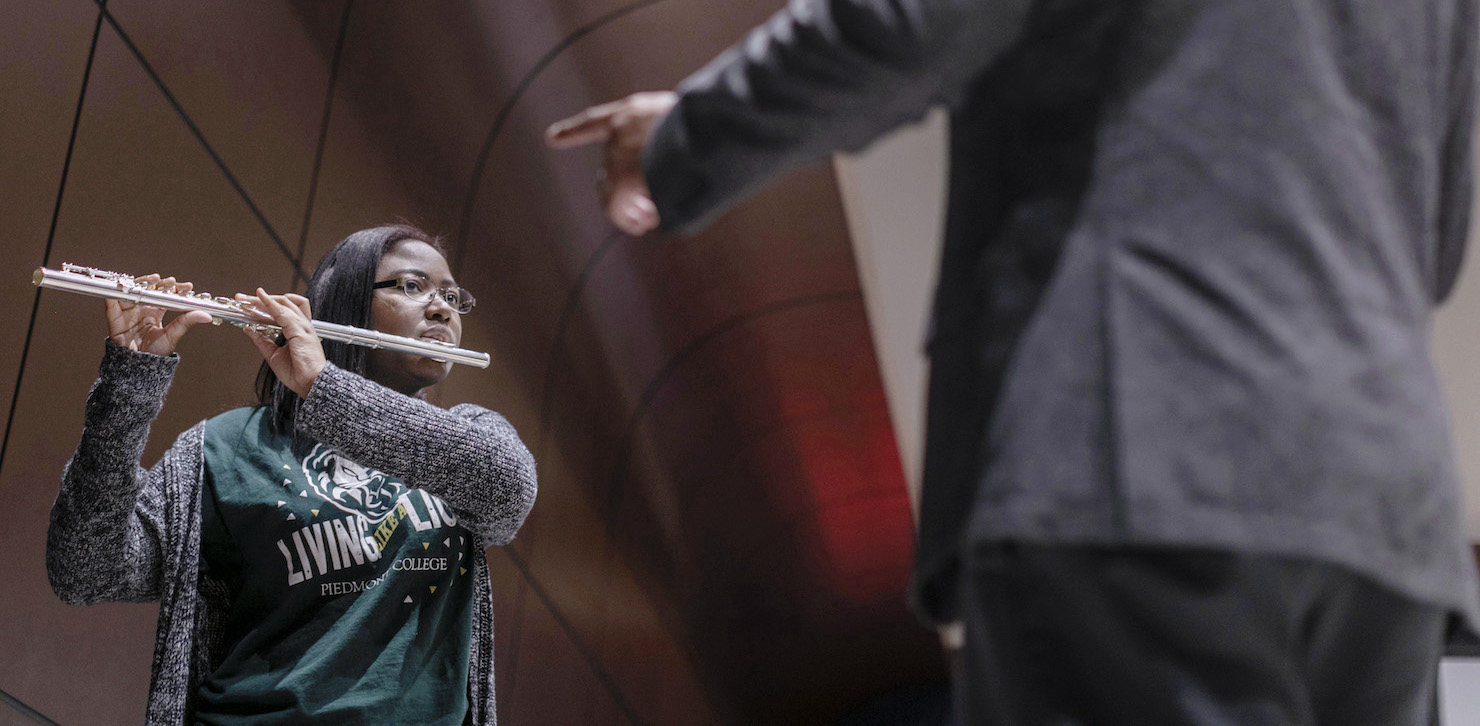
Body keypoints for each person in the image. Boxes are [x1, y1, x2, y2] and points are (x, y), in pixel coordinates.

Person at [546, 1, 1480, 723]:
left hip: (1140, 454)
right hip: (1386, 519)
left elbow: (912, 22)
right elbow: (1433, 240)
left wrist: (684, 139)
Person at [46, 224, 537, 725]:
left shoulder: (470, 433)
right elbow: (86, 571)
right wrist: (128, 385)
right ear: (344, 301)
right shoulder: (227, 445)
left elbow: (508, 491)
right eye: (413, 286)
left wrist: (323, 386)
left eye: (451, 296)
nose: (442, 308)